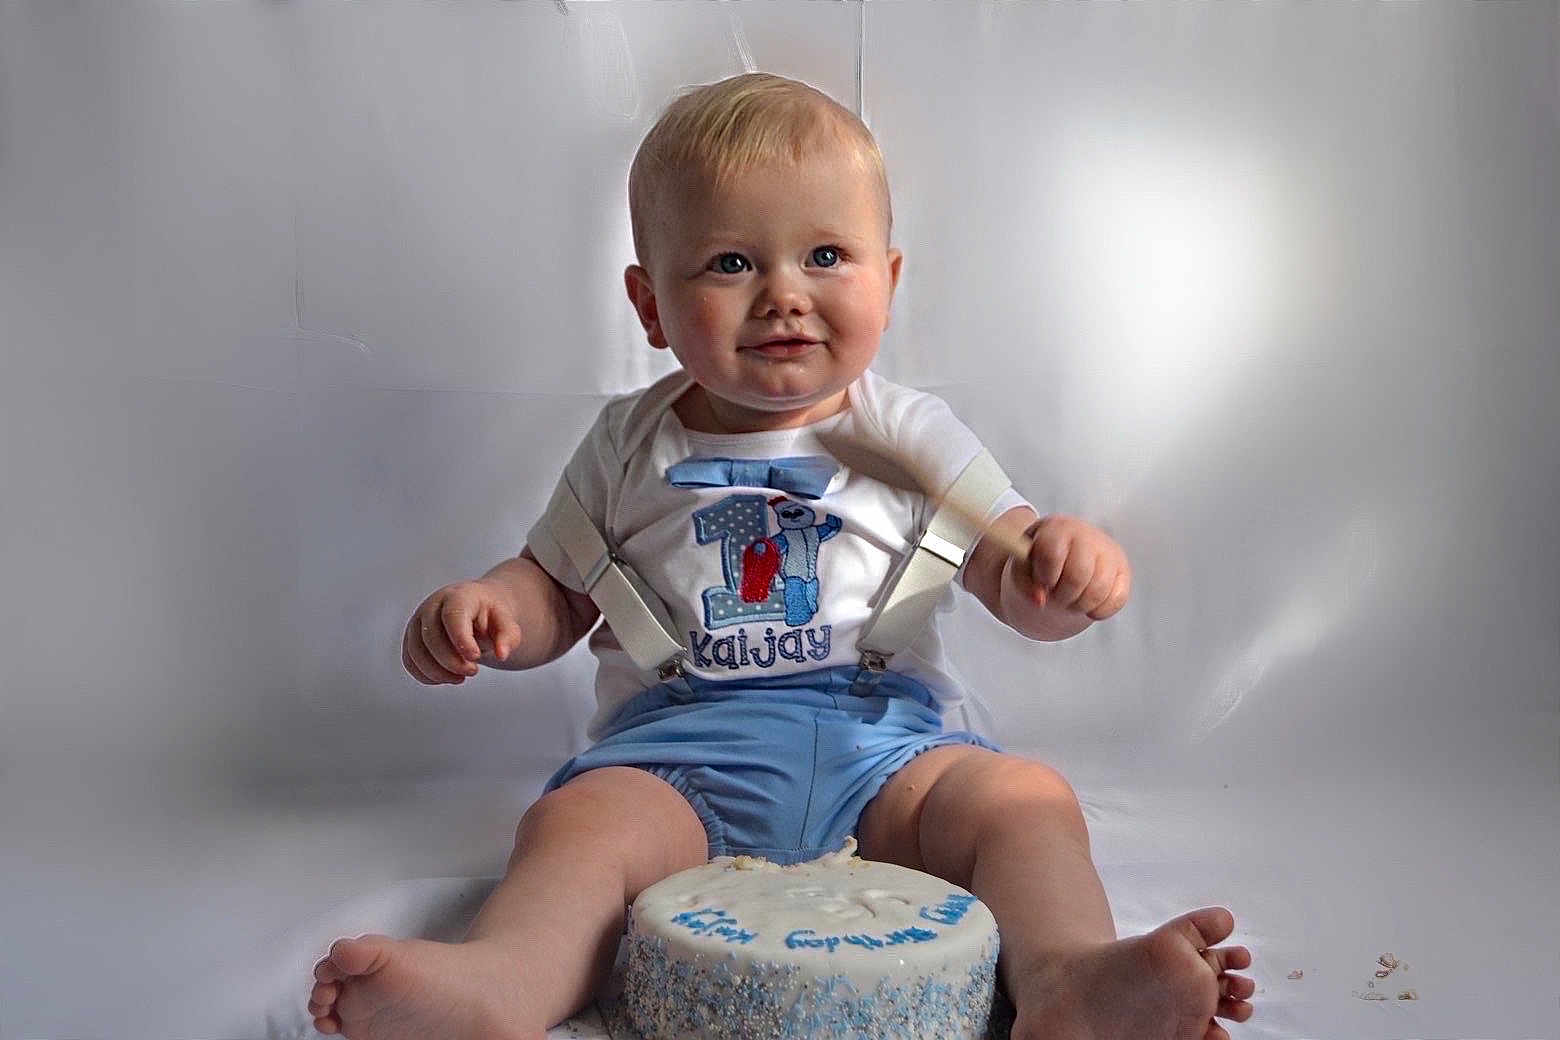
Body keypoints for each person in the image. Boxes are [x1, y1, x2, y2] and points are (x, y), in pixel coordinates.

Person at [306, 72, 1255, 1040]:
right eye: (729, 263)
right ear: (648, 304)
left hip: (888, 755)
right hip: (675, 761)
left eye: (827, 255)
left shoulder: (917, 438)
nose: (783, 296)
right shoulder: (629, 446)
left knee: (1024, 799)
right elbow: (558, 585)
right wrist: (490, 609)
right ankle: (504, 983)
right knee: (575, 830)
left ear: (889, 278)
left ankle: (1068, 979)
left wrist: (1065, 570)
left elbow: (1014, 581)